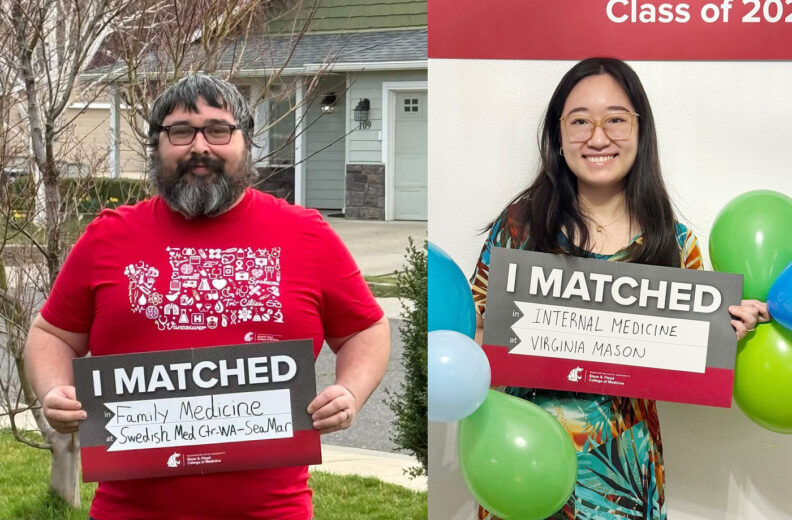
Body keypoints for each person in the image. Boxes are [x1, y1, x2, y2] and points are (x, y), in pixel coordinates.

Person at [23, 74, 390, 520]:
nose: (200, 146)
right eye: (181, 131)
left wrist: (349, 392)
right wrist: (54, 390)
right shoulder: (108, 237)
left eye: (219, 130)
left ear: (246, 142)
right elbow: (52, 333)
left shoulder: (306, 234)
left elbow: (367, 327)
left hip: (273, 512)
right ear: (157, 145)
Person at [470, 58, 769, 519]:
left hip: (622, 479)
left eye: (615, 119)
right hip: (519, 469)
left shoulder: (677, 245)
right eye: (580, 121)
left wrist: (728, 335)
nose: (597, 137)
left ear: (639, 130)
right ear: (558, 135)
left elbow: (686, 371)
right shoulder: (519, 227)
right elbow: (471, 341)